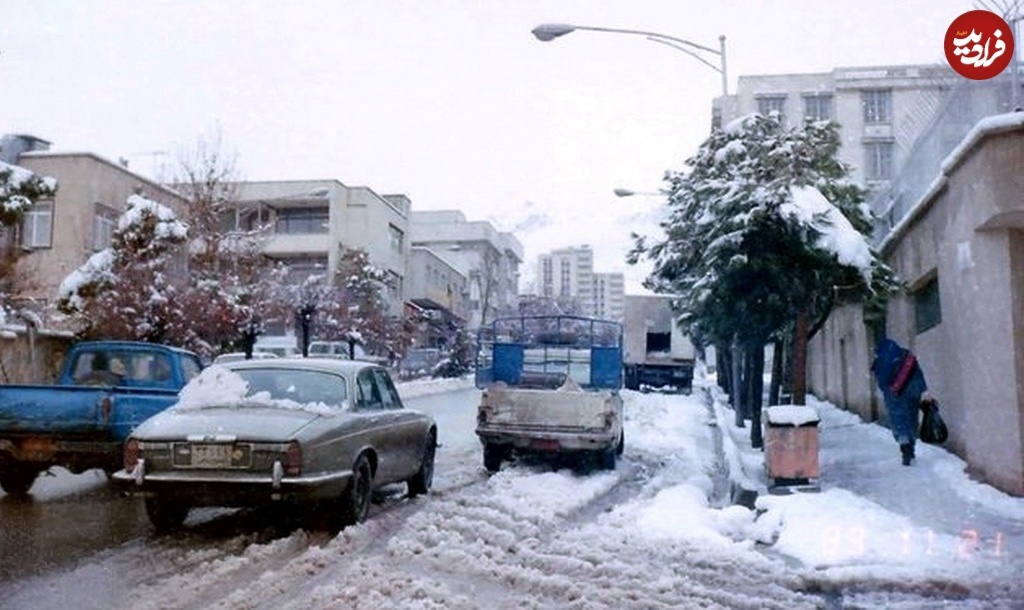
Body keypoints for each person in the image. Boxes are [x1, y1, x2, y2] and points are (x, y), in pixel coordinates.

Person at [871, 338, 928, 466]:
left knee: (899, 422)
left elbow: (882, 383)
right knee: (911, 419)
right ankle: (911, 446)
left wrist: (892, 389)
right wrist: (922, 390)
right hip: (913, 393)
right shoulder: (907, 356)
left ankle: (905, 449)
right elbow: (918, 374)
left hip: (894, 396)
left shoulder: (881, 361)